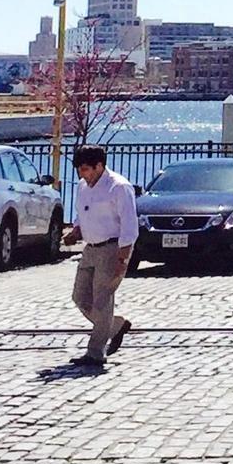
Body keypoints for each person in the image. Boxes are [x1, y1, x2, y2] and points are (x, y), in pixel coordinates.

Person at [64, 146, 137, 370]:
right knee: (80, 296)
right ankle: (115, 327)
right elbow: (82, 213)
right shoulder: (82, 186)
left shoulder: (119, 187)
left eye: (86, 169)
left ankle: (95, 353)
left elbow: (129, 225)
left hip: (112, 248)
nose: (82, 174)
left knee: (102, 300)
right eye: (79, 169)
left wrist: (123, 258)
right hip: (90, 248)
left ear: (99, 166)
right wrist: (76, 231)